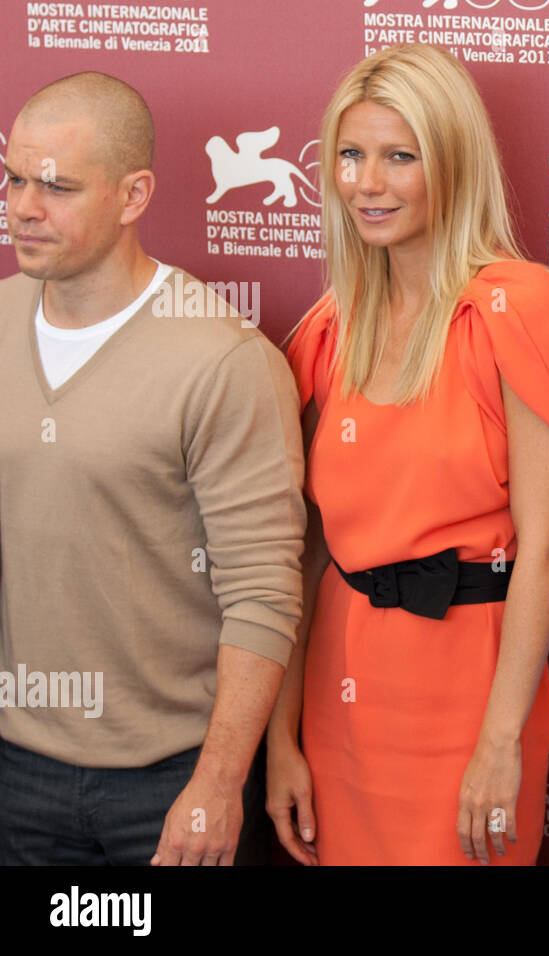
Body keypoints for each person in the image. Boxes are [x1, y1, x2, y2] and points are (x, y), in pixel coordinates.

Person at [266, 44, 549, 866]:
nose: (366, 183)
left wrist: (500, 740)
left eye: (399, 157)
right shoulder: (331, 328)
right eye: (350, 155)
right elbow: (303, 552)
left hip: (469, 690)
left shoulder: (519, 307)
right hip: (341, 692)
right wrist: (282, 738)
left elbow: (546, 546)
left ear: (451, 162)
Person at [0, 72, 306, 865]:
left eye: (57, 187)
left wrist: (215, 784)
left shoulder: (224, 360)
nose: (24, 207)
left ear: (134, 196)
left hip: (169, 783)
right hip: (15, 770)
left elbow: (264, 596)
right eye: (13, 178)